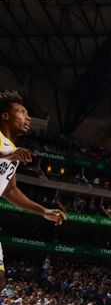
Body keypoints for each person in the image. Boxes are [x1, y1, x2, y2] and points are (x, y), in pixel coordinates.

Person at [0, 91, 67, 288]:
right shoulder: (8, 150)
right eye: (21, 112)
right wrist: (8, 154)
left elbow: (10, 191)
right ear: (5, 116)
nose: (27, 117)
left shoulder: (12, 149)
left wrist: (43, 211)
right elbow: (4, 153)